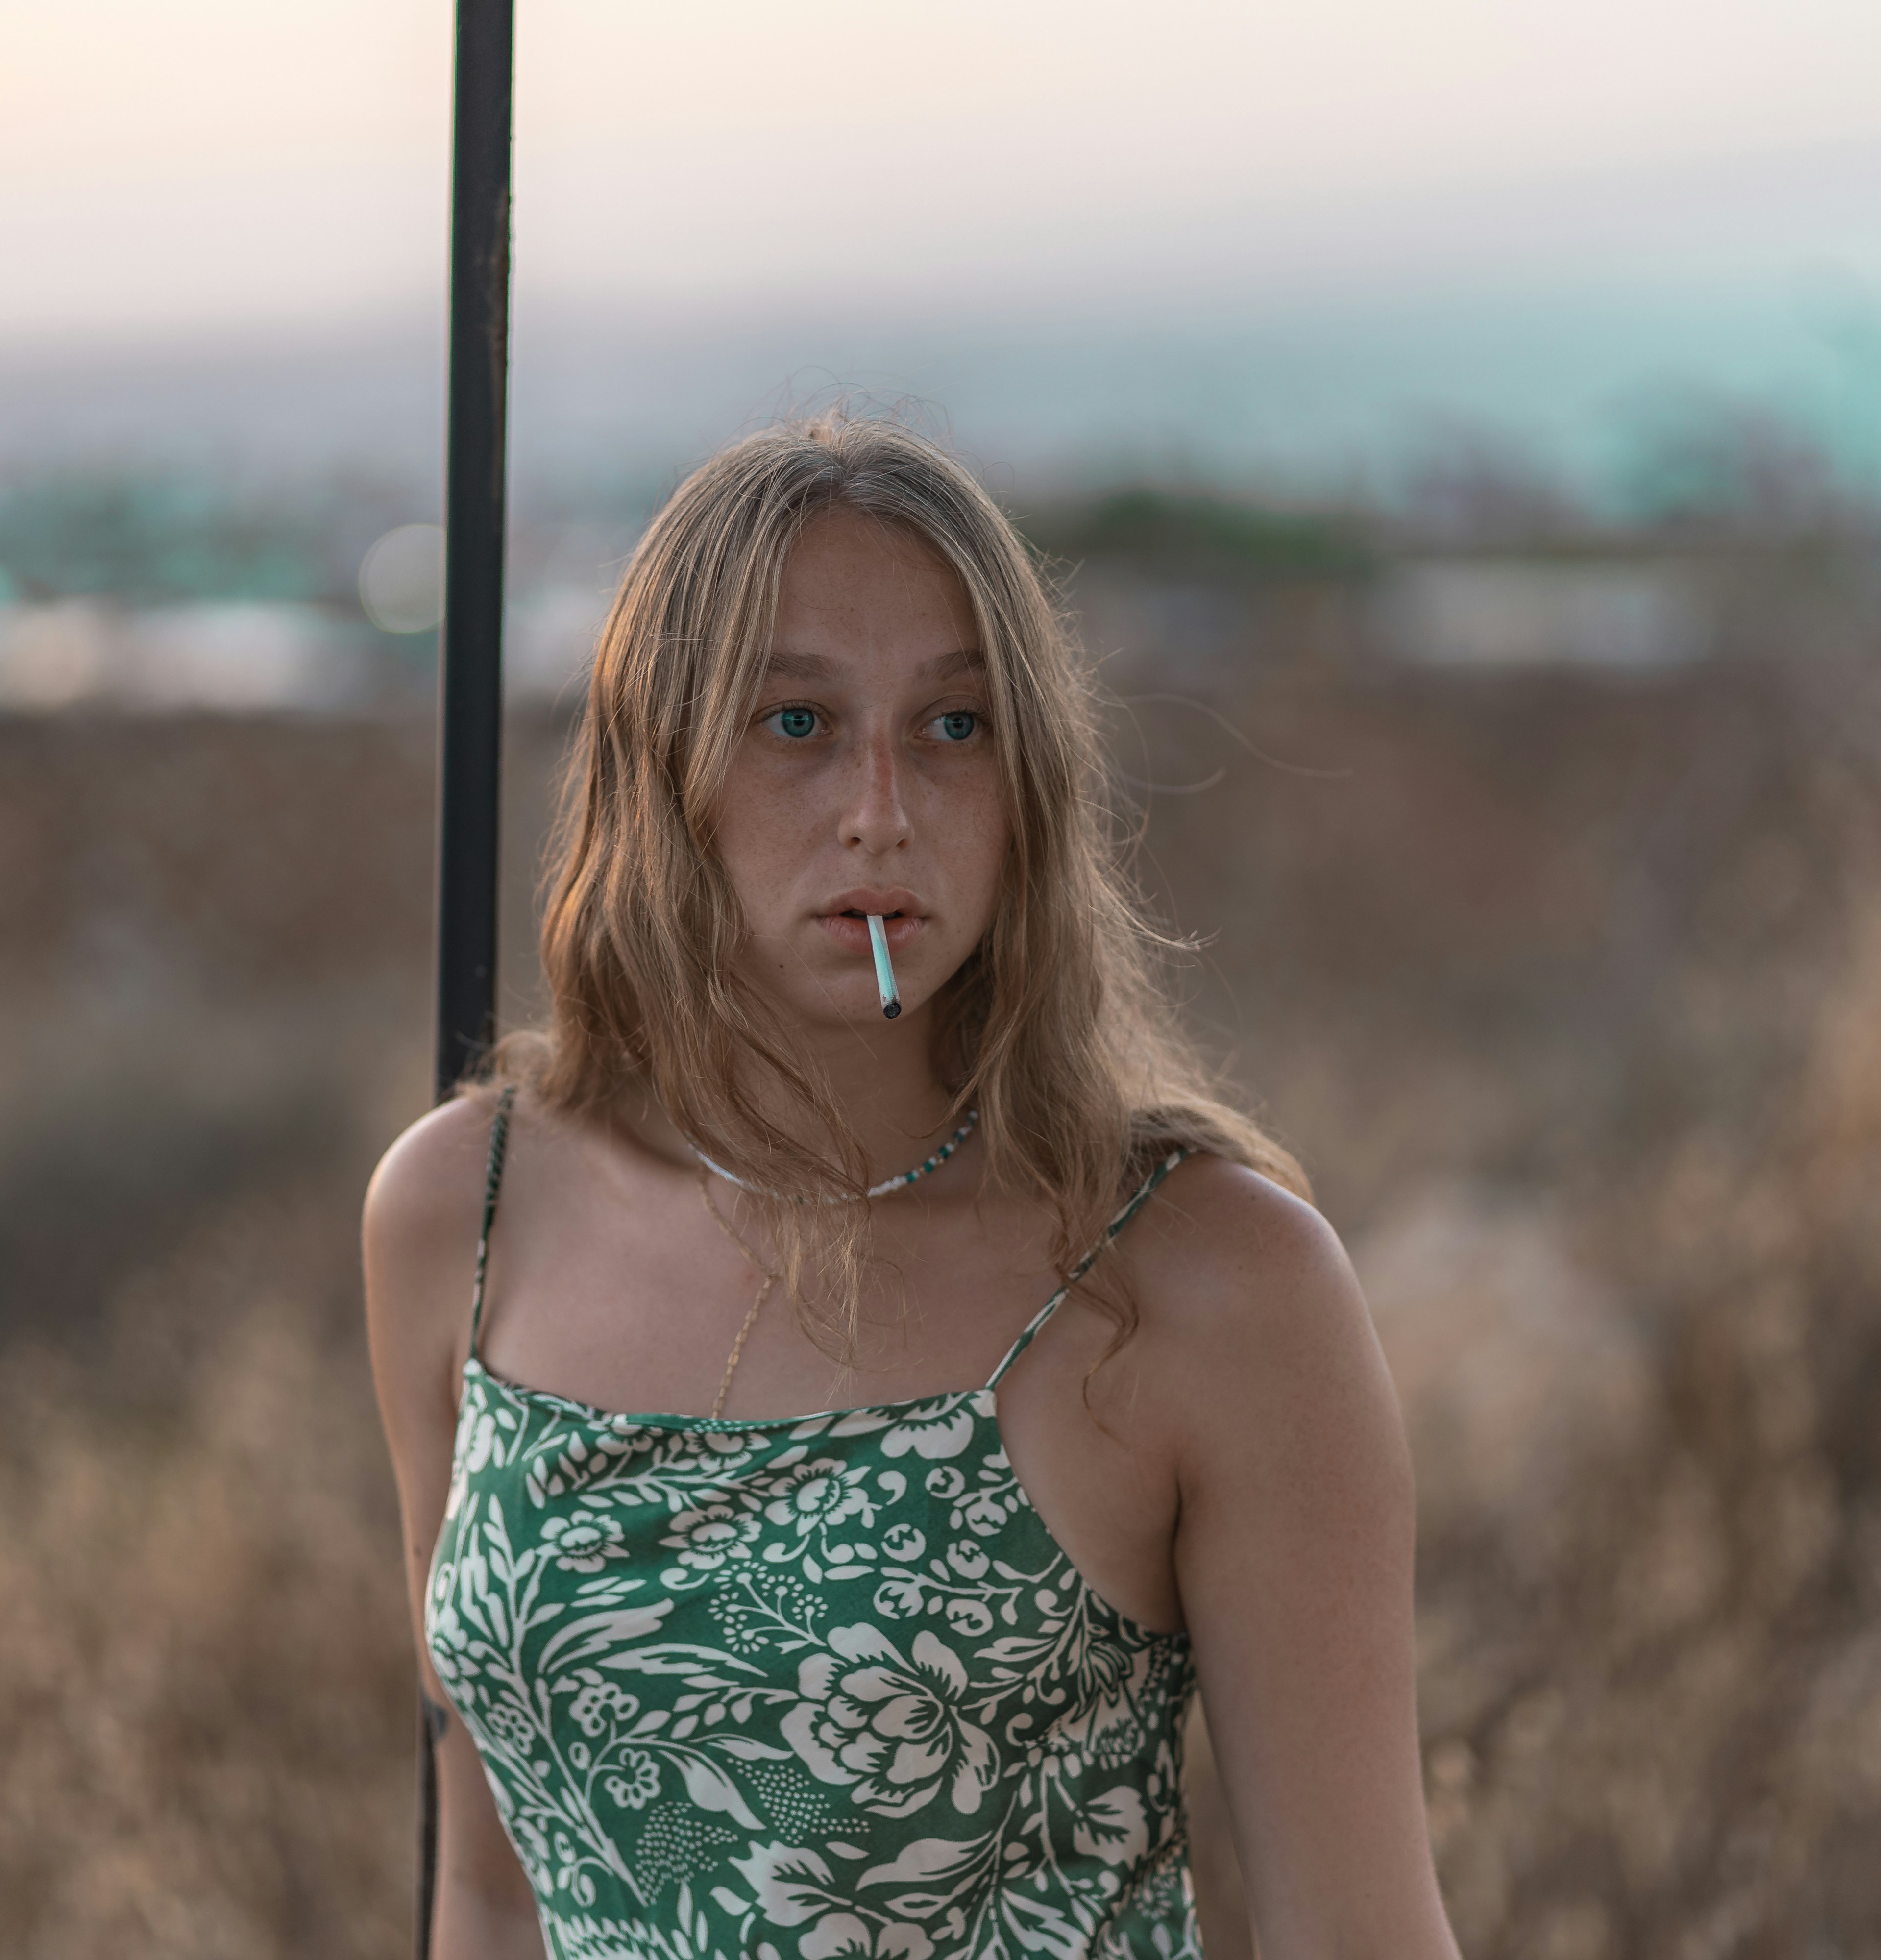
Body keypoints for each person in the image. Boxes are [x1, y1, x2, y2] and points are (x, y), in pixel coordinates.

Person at [364, 413, 1458, 1958]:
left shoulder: (1203, 1282)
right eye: (795, 723)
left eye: (955, 729)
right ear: (656, 760)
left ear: (1033, 792)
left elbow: (1360, 1939)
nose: (881, 807)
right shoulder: (462, 1219)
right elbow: (487, 1891)